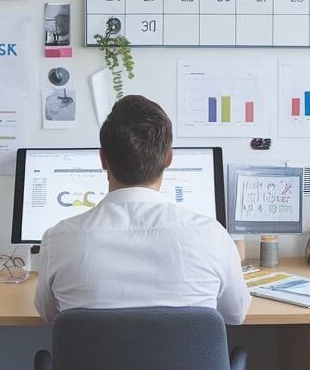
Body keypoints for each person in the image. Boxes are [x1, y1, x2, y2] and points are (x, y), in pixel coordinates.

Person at [34, 95, 251, 324]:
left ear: (103, 160)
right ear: (169, 158)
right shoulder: (212, 236)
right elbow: (235, 315)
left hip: (91, 360)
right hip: (180, 360)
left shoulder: (58, 239)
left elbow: (49, 315)